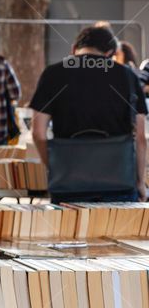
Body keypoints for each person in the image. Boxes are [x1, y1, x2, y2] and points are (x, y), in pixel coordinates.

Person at [30, 25, 147, 202]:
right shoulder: (127, 76)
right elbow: (139, 137)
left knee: (70, 230)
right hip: (119, 183)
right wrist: (140, 183)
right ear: (110, 53)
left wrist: (57, 167)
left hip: (69, 184)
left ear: (74, 49)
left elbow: (38, 133)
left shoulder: (52, 74)